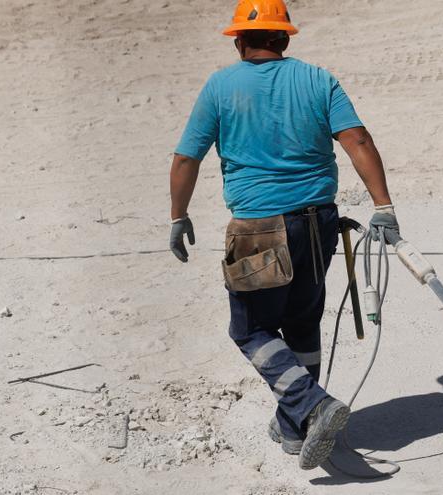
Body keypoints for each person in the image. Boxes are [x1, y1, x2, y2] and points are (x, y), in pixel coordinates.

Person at [167, 0, 399, 470]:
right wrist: (383, 206)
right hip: (319, 223)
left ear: (239, 42)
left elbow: (186, 158)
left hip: (259, 228)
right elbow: (358, 141)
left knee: (250, 328)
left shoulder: (220, 86)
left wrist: (178, 215)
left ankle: (312, 406)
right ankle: (295, 427)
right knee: (301, 320)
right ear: (285, 39)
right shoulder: (316, 79)